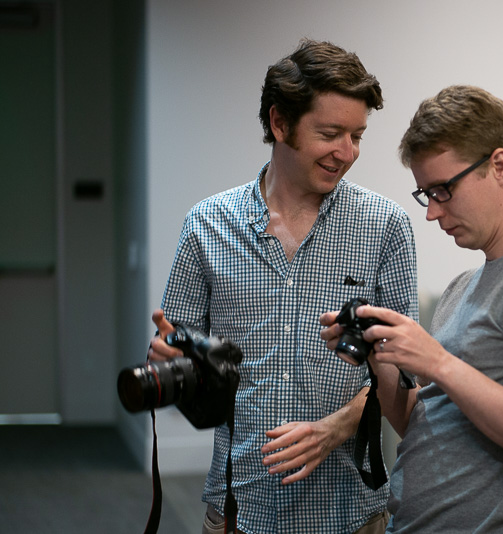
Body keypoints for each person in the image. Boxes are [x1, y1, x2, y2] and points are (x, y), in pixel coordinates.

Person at [147, 39, 418, 534]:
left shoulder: (386, 226)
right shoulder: (206, 225)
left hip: (349, 512)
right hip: (239, 508)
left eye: (357, 135)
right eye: (330, 134)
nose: (347, 152)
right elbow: (176, 358)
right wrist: (170, 363)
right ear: (279, 122)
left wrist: (338, 427)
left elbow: (406, 374)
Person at [321, 85, 503, 532]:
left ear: (499, 166)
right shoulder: (464, 286)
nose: (432, 213)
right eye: (426, 194)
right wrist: (381, 357)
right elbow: (423, 422)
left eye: (443, 190)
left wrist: (437, 361)